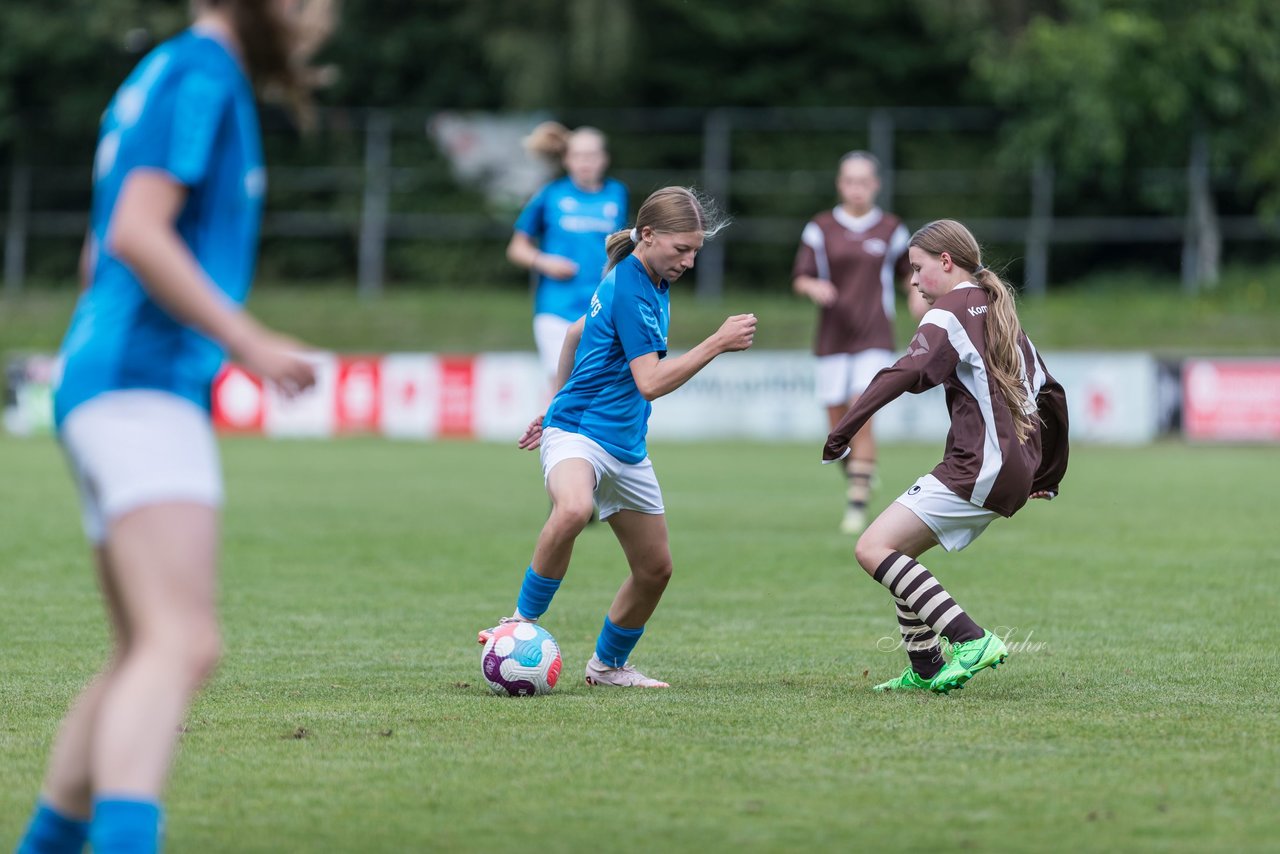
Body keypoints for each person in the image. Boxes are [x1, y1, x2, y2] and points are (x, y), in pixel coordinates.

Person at [16, 2, 333, 852]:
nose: (316, 18)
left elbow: (97, 252)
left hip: (107, 376)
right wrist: (248, 340)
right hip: (141, 382)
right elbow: (135, 233)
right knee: (182, 642)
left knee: (141, 651)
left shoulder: (158, 72)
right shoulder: (203, 73)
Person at [479, 187, 756, 688]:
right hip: (580, 433)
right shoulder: (629, 285)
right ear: (648, 236)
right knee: (571, 509)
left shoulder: (647, 279)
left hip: (624, 445)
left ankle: (607, 666)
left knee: (655, 570)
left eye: (696, 250)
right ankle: (520, 621)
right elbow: (650, 382)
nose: (690, 261)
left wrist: (550, 400)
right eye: (682, 249)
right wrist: (716, 342)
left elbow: (573, 334)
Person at [822, 219, 1069, 694]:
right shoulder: (1003, 315)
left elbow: (905, 370)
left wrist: (846, 427)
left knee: (871, 549)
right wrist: (1047, 472)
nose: (913, 281)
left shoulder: (950, 311)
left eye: (917, 269)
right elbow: (1052, 396)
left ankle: (970, 639)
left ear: (946, 261)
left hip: (980, 464)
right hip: (1010, 467)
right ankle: (927, 666)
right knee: (900, 550)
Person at [792, 151, 927, 535]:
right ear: (840, 184)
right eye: (850, 181)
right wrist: (814, 286)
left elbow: (909, 274)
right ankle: (862, 473)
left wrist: (917, 295)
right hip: (833, 337)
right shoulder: (819, 228)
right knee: (837, 427)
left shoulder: (891, 229)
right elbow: (800, 276)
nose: (857, 189)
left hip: (874, 335)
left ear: (876, 185)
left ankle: (856, 504)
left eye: (864, 181)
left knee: (861, 409)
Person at [507, 122, 629, 385]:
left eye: (592, 155)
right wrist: (544, 261)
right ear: (566, 159)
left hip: (601, 306)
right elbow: (516, 248)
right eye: (578, 156)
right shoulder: (551, 195)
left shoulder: (617, 194)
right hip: (557, 307)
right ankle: (548, 427)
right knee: (561, 384)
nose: (585, 162)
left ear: (604, 159)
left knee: (596, 385)